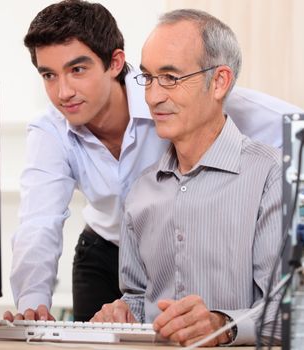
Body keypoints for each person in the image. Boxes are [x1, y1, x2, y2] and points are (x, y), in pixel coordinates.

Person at [5, 0, 301, 323]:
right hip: (106, 246)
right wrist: (32, 306)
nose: (63, 92)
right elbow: (38, 223)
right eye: (48, 75)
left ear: (115, 63)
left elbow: (282, 124)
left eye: (77, 70)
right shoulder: (52, 131)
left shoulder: (172, 97)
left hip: (179, 237)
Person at [91, 8, 282, 347]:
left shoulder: (270, 176)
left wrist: (223, 324)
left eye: (171, 78)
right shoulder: (142, 189)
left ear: (219, 82)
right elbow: (138, 295)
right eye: (148, 78)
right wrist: (122, 311)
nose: (153, 96)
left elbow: (287, 307)